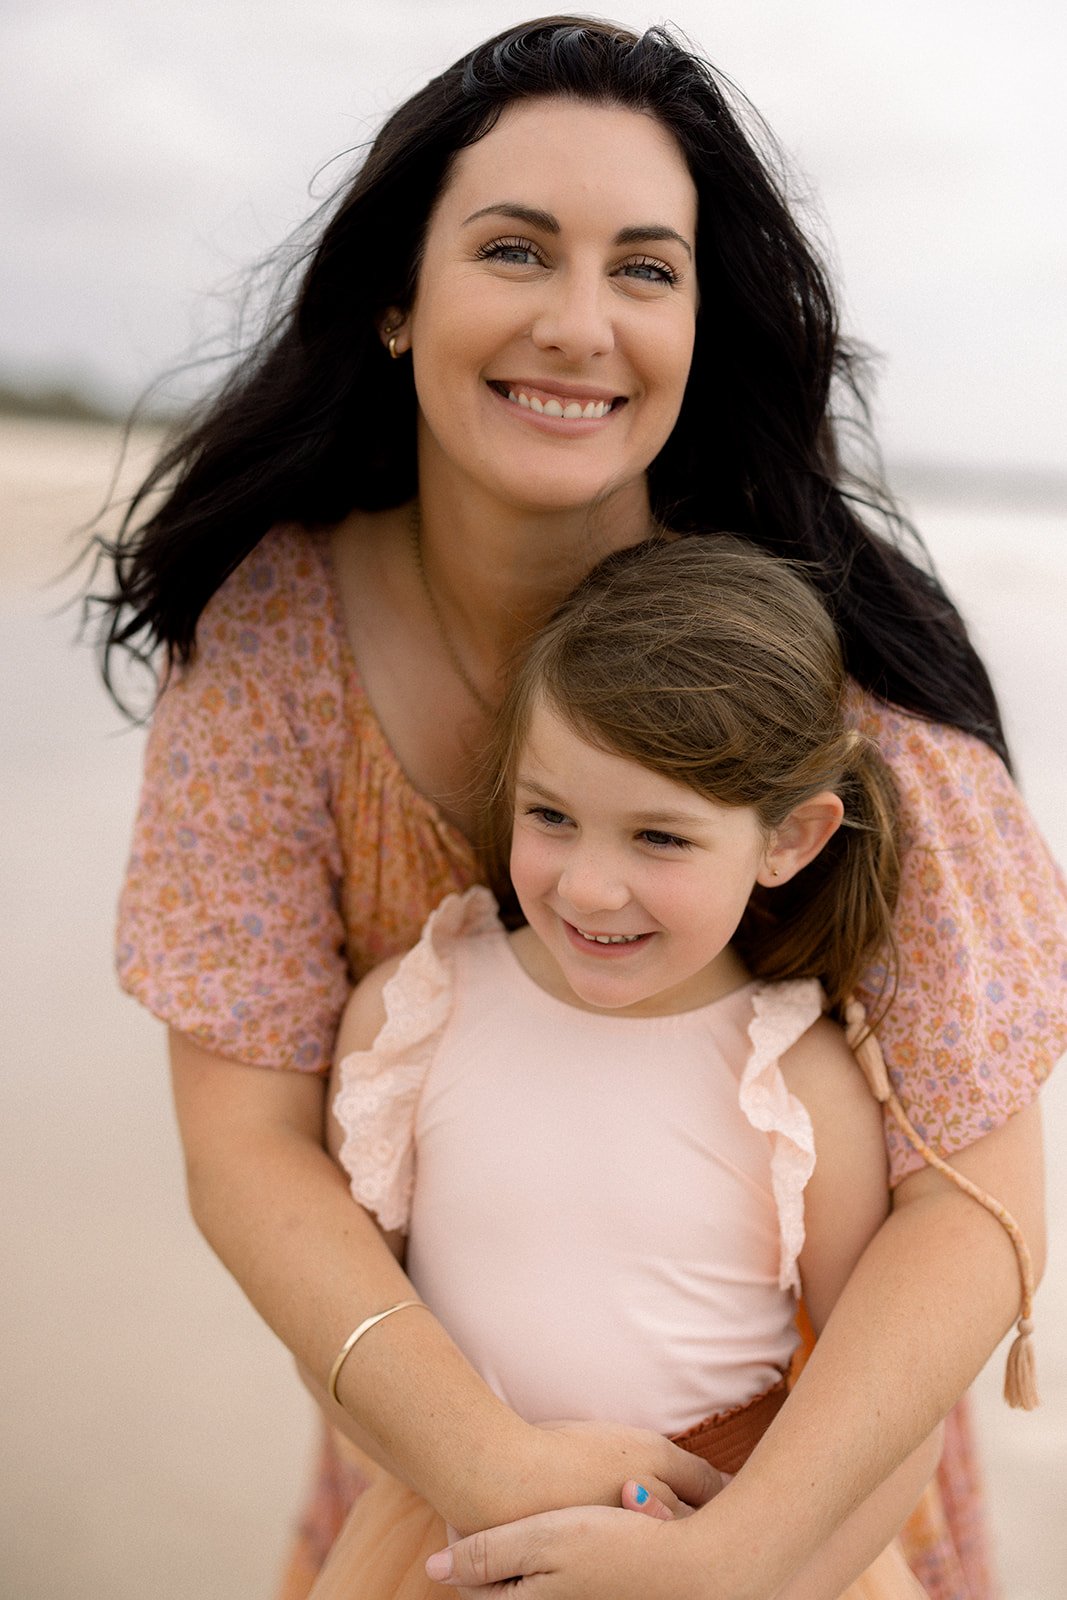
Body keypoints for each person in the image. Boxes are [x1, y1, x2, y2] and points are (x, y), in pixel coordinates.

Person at [94, 16, 1062, 1600]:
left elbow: (976, 1203)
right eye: (513, 248)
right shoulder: (276, 638)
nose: (576, 323)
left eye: (643, 269)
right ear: (398, 302)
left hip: (803, 1486)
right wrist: (482, 1469)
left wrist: (730, 1559)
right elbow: (249, 1142)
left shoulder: (817, 672)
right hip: (431, 1448)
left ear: (699, 327)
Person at [310, 533, 963, 1600]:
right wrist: (462, 1463)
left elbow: (893, 1425)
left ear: (788, 839)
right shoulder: (412, 1018)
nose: (589, 887)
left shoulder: (797, 1082)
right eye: (552, 816)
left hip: (731, 1550)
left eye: (658, 837)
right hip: (461, 1545)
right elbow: (335, 1325)